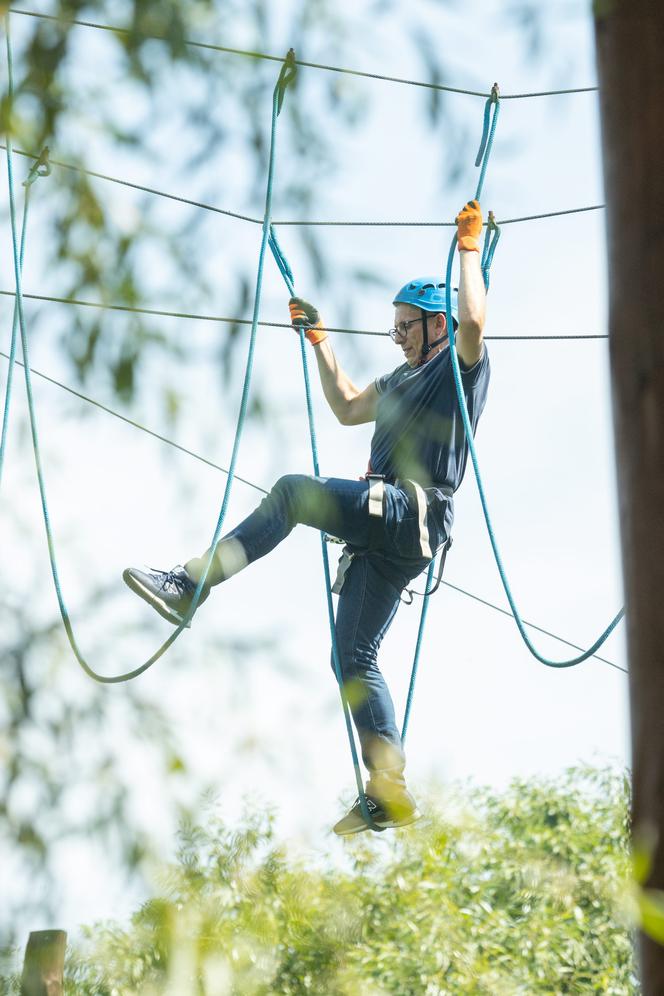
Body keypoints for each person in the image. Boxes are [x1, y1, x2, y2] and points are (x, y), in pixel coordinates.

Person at [123, 200, 490, 836]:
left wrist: (467, 250)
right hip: (389, 533)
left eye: (407, 327)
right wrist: (320, 343)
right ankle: (390, 786)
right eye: (395, 328)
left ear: (435, 326)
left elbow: (475, 319)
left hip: (410, 510)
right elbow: (348, 406)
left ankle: (192, 583)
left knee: (294, 494)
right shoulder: (399, 381)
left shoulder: (457, 371)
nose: (398, 337)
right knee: (351, 655)